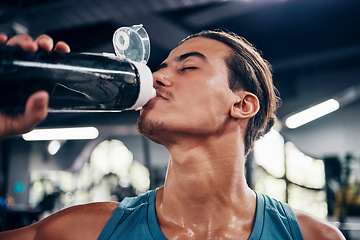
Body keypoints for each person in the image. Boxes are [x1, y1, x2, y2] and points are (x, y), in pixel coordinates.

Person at [0, 30, 345, 240]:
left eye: (187, 67)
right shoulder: (86, 231)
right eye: (162, 67)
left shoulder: (313, 237)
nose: (158, 77)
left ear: (242, 104)